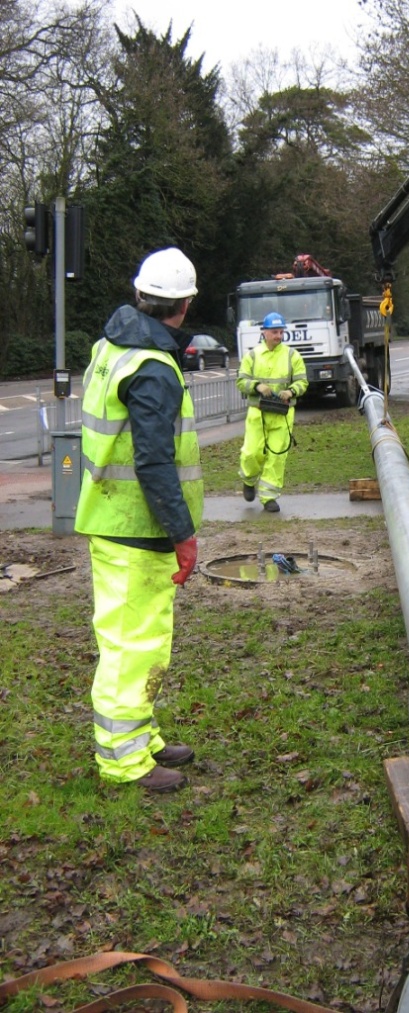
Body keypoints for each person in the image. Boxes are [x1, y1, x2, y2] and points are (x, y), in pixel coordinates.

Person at [75, 247, 203, 793]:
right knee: (134, 644)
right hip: (137, 527)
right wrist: (183, 532)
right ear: (186, 303)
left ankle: (140, 734)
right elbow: (153, 461)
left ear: (140, 295)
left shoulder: (112, 346)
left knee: (132, 639)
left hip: (109, 516)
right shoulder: (153, 366)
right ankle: (123, 758)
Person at [236, 312, 308, 513]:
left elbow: (302, 381)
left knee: (277, 456)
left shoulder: (292, 356)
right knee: (252, 452)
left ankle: (268, 497)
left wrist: (291, 391)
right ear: (264, 332)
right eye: (274, 332)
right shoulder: (252, 355)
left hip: (282, 415)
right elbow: (241, 381)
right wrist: (257, 386)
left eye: (280, 331)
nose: (278, 335)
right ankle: (249, 480)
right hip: (257, 413)